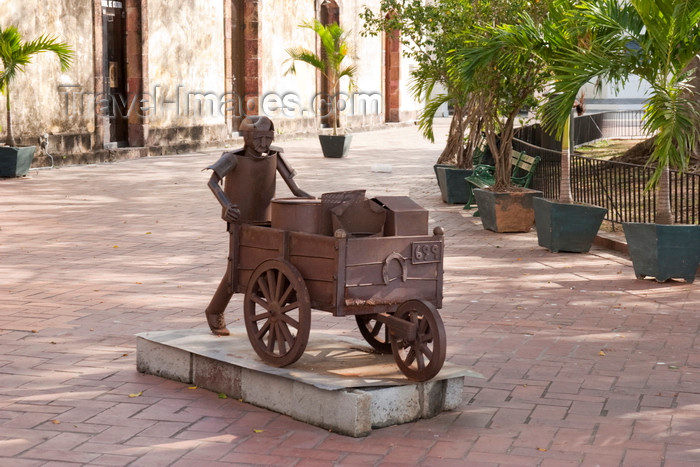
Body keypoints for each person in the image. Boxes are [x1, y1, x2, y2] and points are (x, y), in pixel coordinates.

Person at [204, 116, 311, 335]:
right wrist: (226, 205)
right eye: (259, 137)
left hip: (268, 219)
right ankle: (214, 311)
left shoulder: (276, 156)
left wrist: (313, 201)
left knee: (269, 264)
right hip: (240, 221)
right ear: (246, 137)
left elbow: (296, 189)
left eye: (268, 137)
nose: (265, 143)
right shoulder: (232, 158)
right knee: (235, 269)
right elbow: (213, 181)